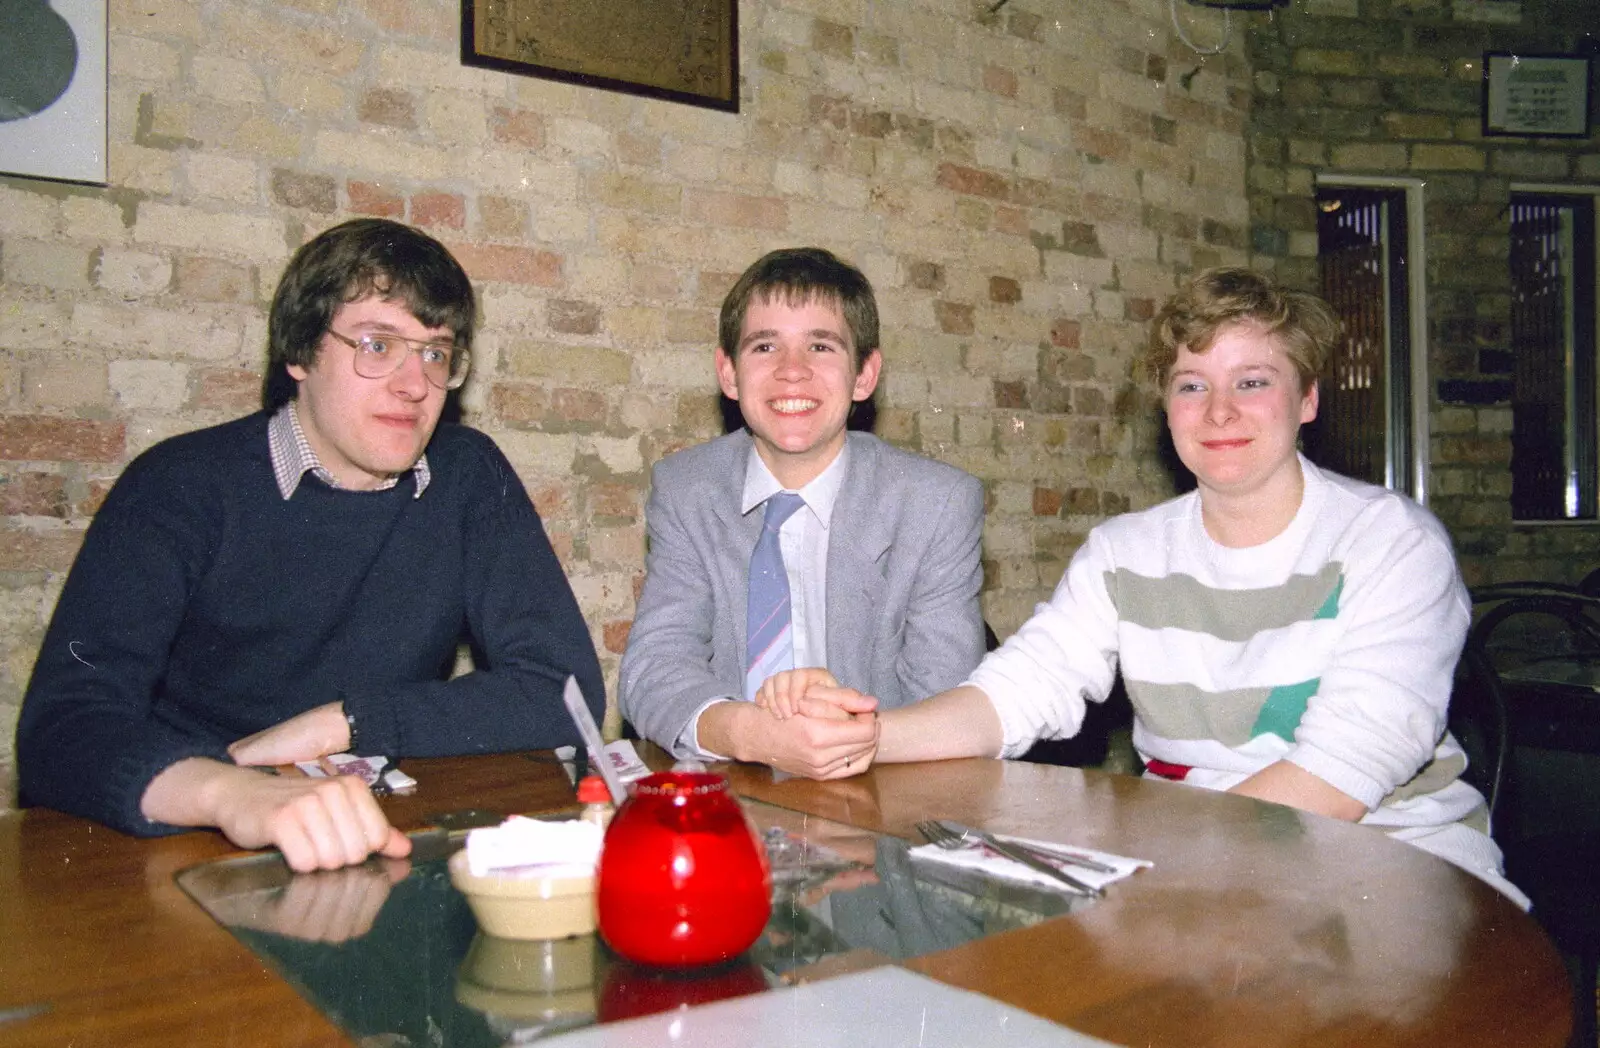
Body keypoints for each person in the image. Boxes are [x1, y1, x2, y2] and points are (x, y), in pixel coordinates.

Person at [764, 266, 1527, 905]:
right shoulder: (1124, 553)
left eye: (1253, 381)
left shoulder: (1389, 542)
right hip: (1199, 868)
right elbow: (1018, 692)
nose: (1220, 411)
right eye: (1192, 386)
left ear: (1308, 399)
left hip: (1392, 867)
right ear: (1167, 410)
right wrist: (864, 739)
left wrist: (1140, 859)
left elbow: (1340, 776)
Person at [17, 218, 605, 872]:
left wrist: (346, 721)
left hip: (380, 840)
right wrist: (230, 792)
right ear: (299, 351)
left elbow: (565, 691)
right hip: (189, 852)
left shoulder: (468, 474)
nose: (415, 384)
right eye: (378, 345)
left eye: (435, 352)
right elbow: (61, 732)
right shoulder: (179, 485)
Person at [618, 247, 984, 778]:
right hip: (736, 795)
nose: (793, 371)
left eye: (821, 345)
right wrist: (751, 733)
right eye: (765, 346)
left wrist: (839, 725)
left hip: (883, 801)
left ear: (865, 375)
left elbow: (948, 701)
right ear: (728, 373)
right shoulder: (687, 490)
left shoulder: (936, 503)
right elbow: (652, 669)